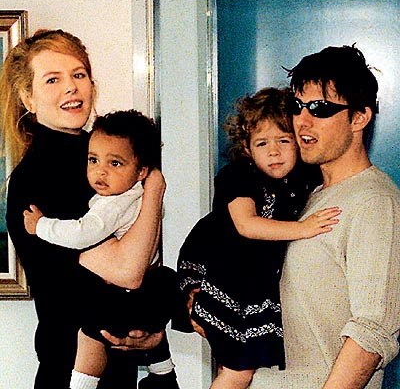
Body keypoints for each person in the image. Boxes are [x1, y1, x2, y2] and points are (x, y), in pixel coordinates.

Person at [0, 29, 165, 389]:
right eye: (52, 80)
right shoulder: (39, 176)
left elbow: (145, 254)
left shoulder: (98, 159)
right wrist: (154, 189)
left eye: (79, 74)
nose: (71, 88)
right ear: (28, 98)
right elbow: (128, 271)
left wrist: (147, 328)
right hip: (70, 371)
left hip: (117, 368)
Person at [249, 45, 400, 389]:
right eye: (297, 106)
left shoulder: (375, 201)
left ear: (359, 118)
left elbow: (372, 332)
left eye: (320, 108)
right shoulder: (308, 195)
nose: (302, 121)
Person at [177, 87, 341, 389]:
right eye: (262, 143)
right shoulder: (238, 174)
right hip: (222, 274)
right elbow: (247, 225)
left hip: (254, 282)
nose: (274, 151)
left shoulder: (302, 176)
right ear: (247, 148)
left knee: (248, 368)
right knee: (239, 371)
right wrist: (304, 228)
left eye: (283, 140)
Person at [23, 109, 182, 389]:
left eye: (115, 163)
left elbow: (84, 233)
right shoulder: (141, 193)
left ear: (141, 170)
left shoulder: (113, 203)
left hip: (126, 297)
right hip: (149, 290)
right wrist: (155, 189)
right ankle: (163, 371)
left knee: (90, 332)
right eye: (93, 160)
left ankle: (82, 384)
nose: (100, 171)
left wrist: (41, 225)